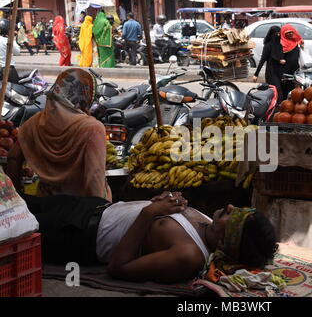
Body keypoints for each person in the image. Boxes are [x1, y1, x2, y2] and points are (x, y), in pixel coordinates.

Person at [21, 191, 278, 283]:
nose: (231, 207)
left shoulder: (189, 256)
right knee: (14, 198)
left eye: (231, 217)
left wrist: (150, 212)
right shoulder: (208, 224)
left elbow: (118, 268)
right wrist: (166, 199)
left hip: (77, 234)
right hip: (90, 207)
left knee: (9, 222)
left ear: (223, 242)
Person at [7, 68, 112, 202]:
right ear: (86, 94)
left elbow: (13, 157)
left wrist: (17, 194)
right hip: (78, 209)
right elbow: (95, 177)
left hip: (45, 203)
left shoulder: (35, 122)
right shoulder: (92, 128)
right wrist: (100, 208)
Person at [252, 26, 285, 105]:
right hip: (271, 72)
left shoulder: (279, 45)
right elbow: (262, 60)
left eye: (279, 33)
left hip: (279, 72)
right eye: (277, 33)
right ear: (272, 34)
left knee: (279, 93)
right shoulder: (268, 46)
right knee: (277, 93)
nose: (278, 35)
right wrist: (256, 74)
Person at [280, 24, 304, 100]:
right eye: (288, 32)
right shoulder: (281, 44)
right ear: (284, 33)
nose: (290, 34)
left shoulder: (296, 42)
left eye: (291, 32)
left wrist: (302, 46)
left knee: (296, 88)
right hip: (285, 70)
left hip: (295, 69)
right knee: (286, 88)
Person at [0, 18, 20, 83]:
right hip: (8, 69)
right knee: (15, 88)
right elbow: (17, 52)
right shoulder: (7, 40)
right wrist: (12, 39)